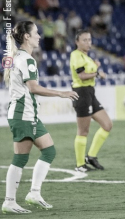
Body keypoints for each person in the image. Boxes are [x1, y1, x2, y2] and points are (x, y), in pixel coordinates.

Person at [1, 21, 78, 214]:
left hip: (28, 114)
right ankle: (9, 201)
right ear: (27, 36)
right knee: (20, 158)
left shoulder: (18, 56)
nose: (40, 36)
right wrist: (61, 94)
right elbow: (33, 87)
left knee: (49, 151)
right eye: (36, 33)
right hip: (23, 114)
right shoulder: (26, 59)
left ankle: (34, 193)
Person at [69, 29, 113, 172]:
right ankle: (80, 164)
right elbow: (81, 75)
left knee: (107, 124)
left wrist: (95, 66)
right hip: (81, 93)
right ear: (77, 42)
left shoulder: (86, 57)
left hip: (89, 93)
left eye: (89, 39)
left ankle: (91, 157)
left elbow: (87, 70)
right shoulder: (76, 55)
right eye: (85, 40)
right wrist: (98, 74)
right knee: (83, 131)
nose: (88, 43)